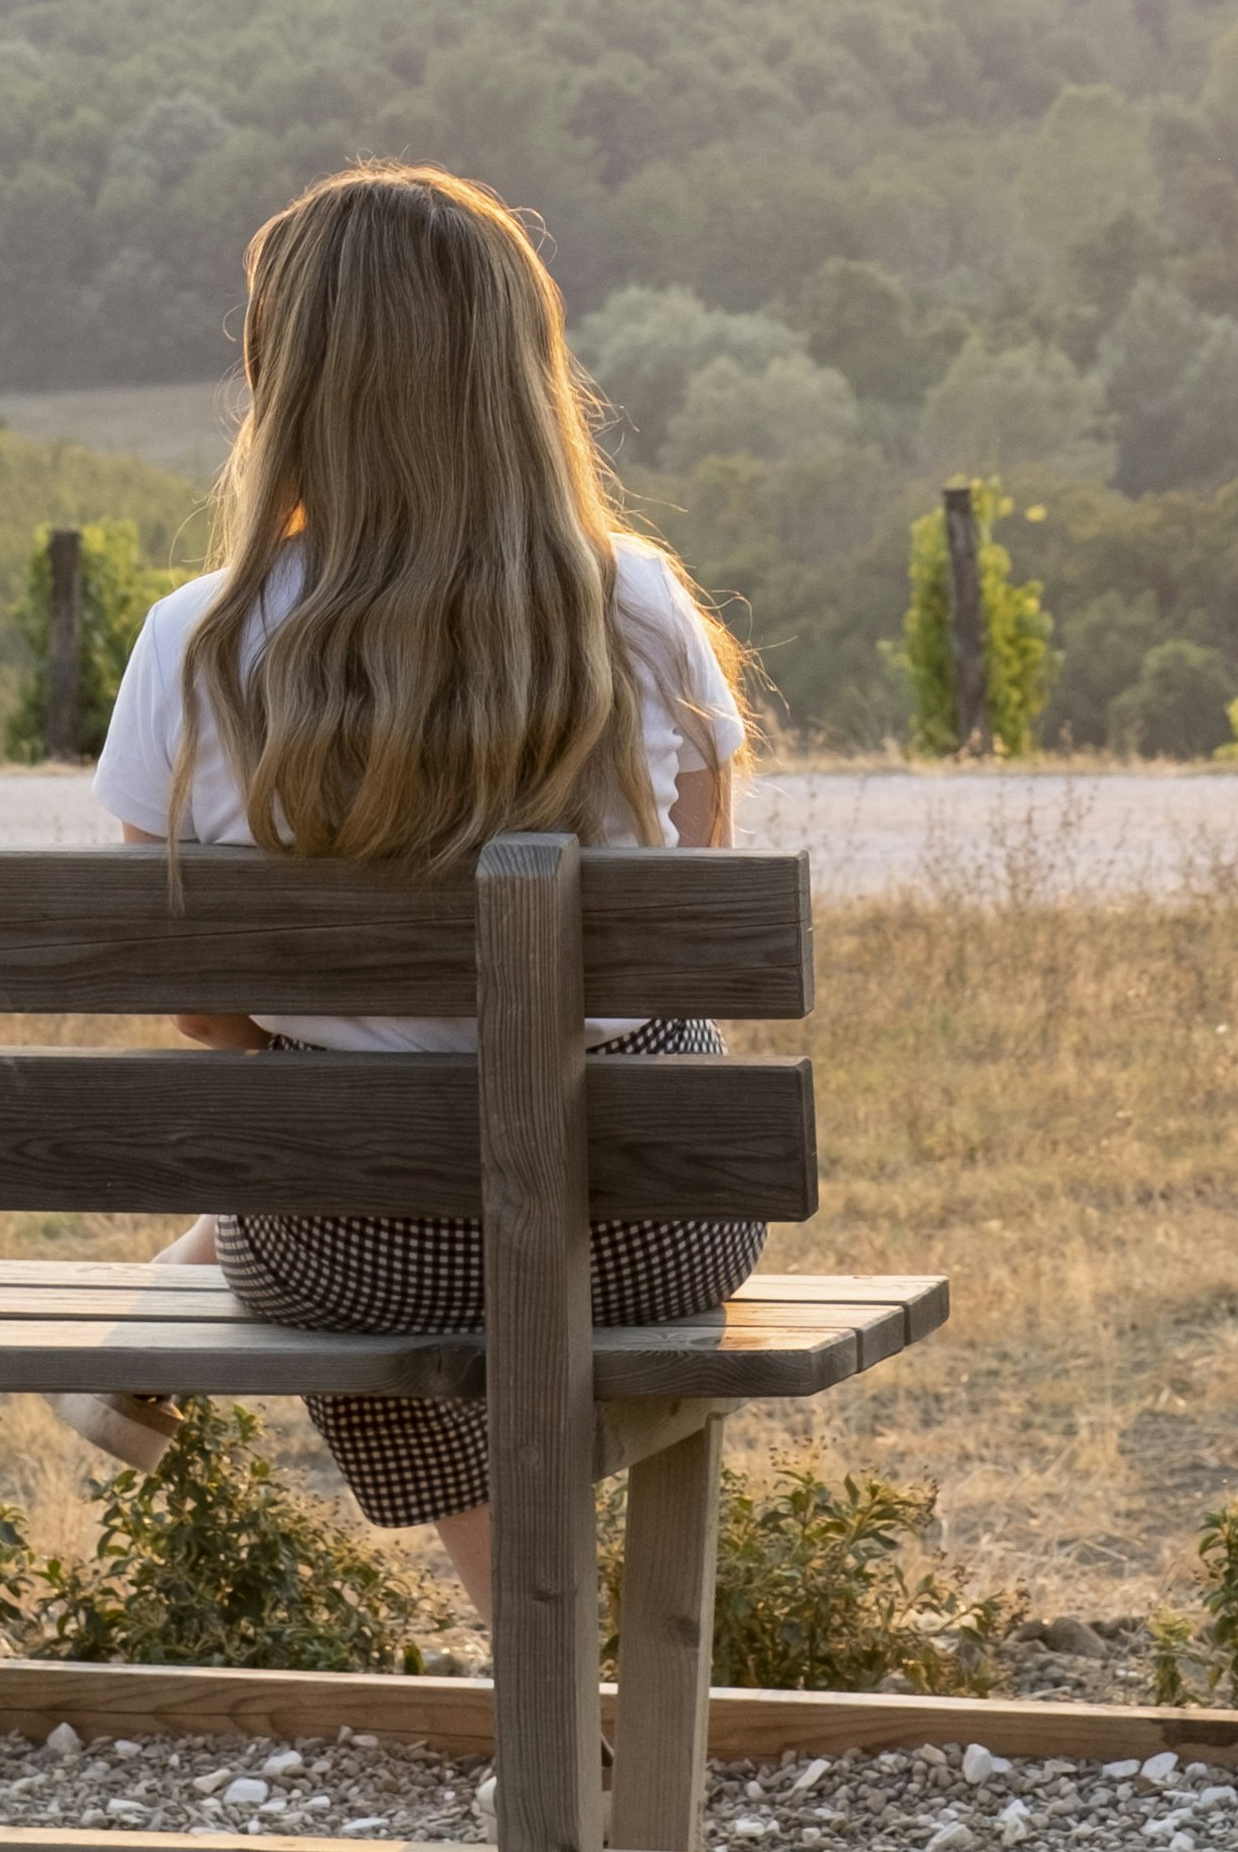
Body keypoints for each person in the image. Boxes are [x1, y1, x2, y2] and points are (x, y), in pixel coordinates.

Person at [83, 159, 754, 1615]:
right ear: (521, 372)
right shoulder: (637, 603)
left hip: (367, 1235)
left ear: (288, 383)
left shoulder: (194, 646)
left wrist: (346, 1054)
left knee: (332, 1221)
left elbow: (198, 1013)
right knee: (387, 1195)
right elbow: (688, 945)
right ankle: (565, 1662)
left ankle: (539, 1641)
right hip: (656, 1213)